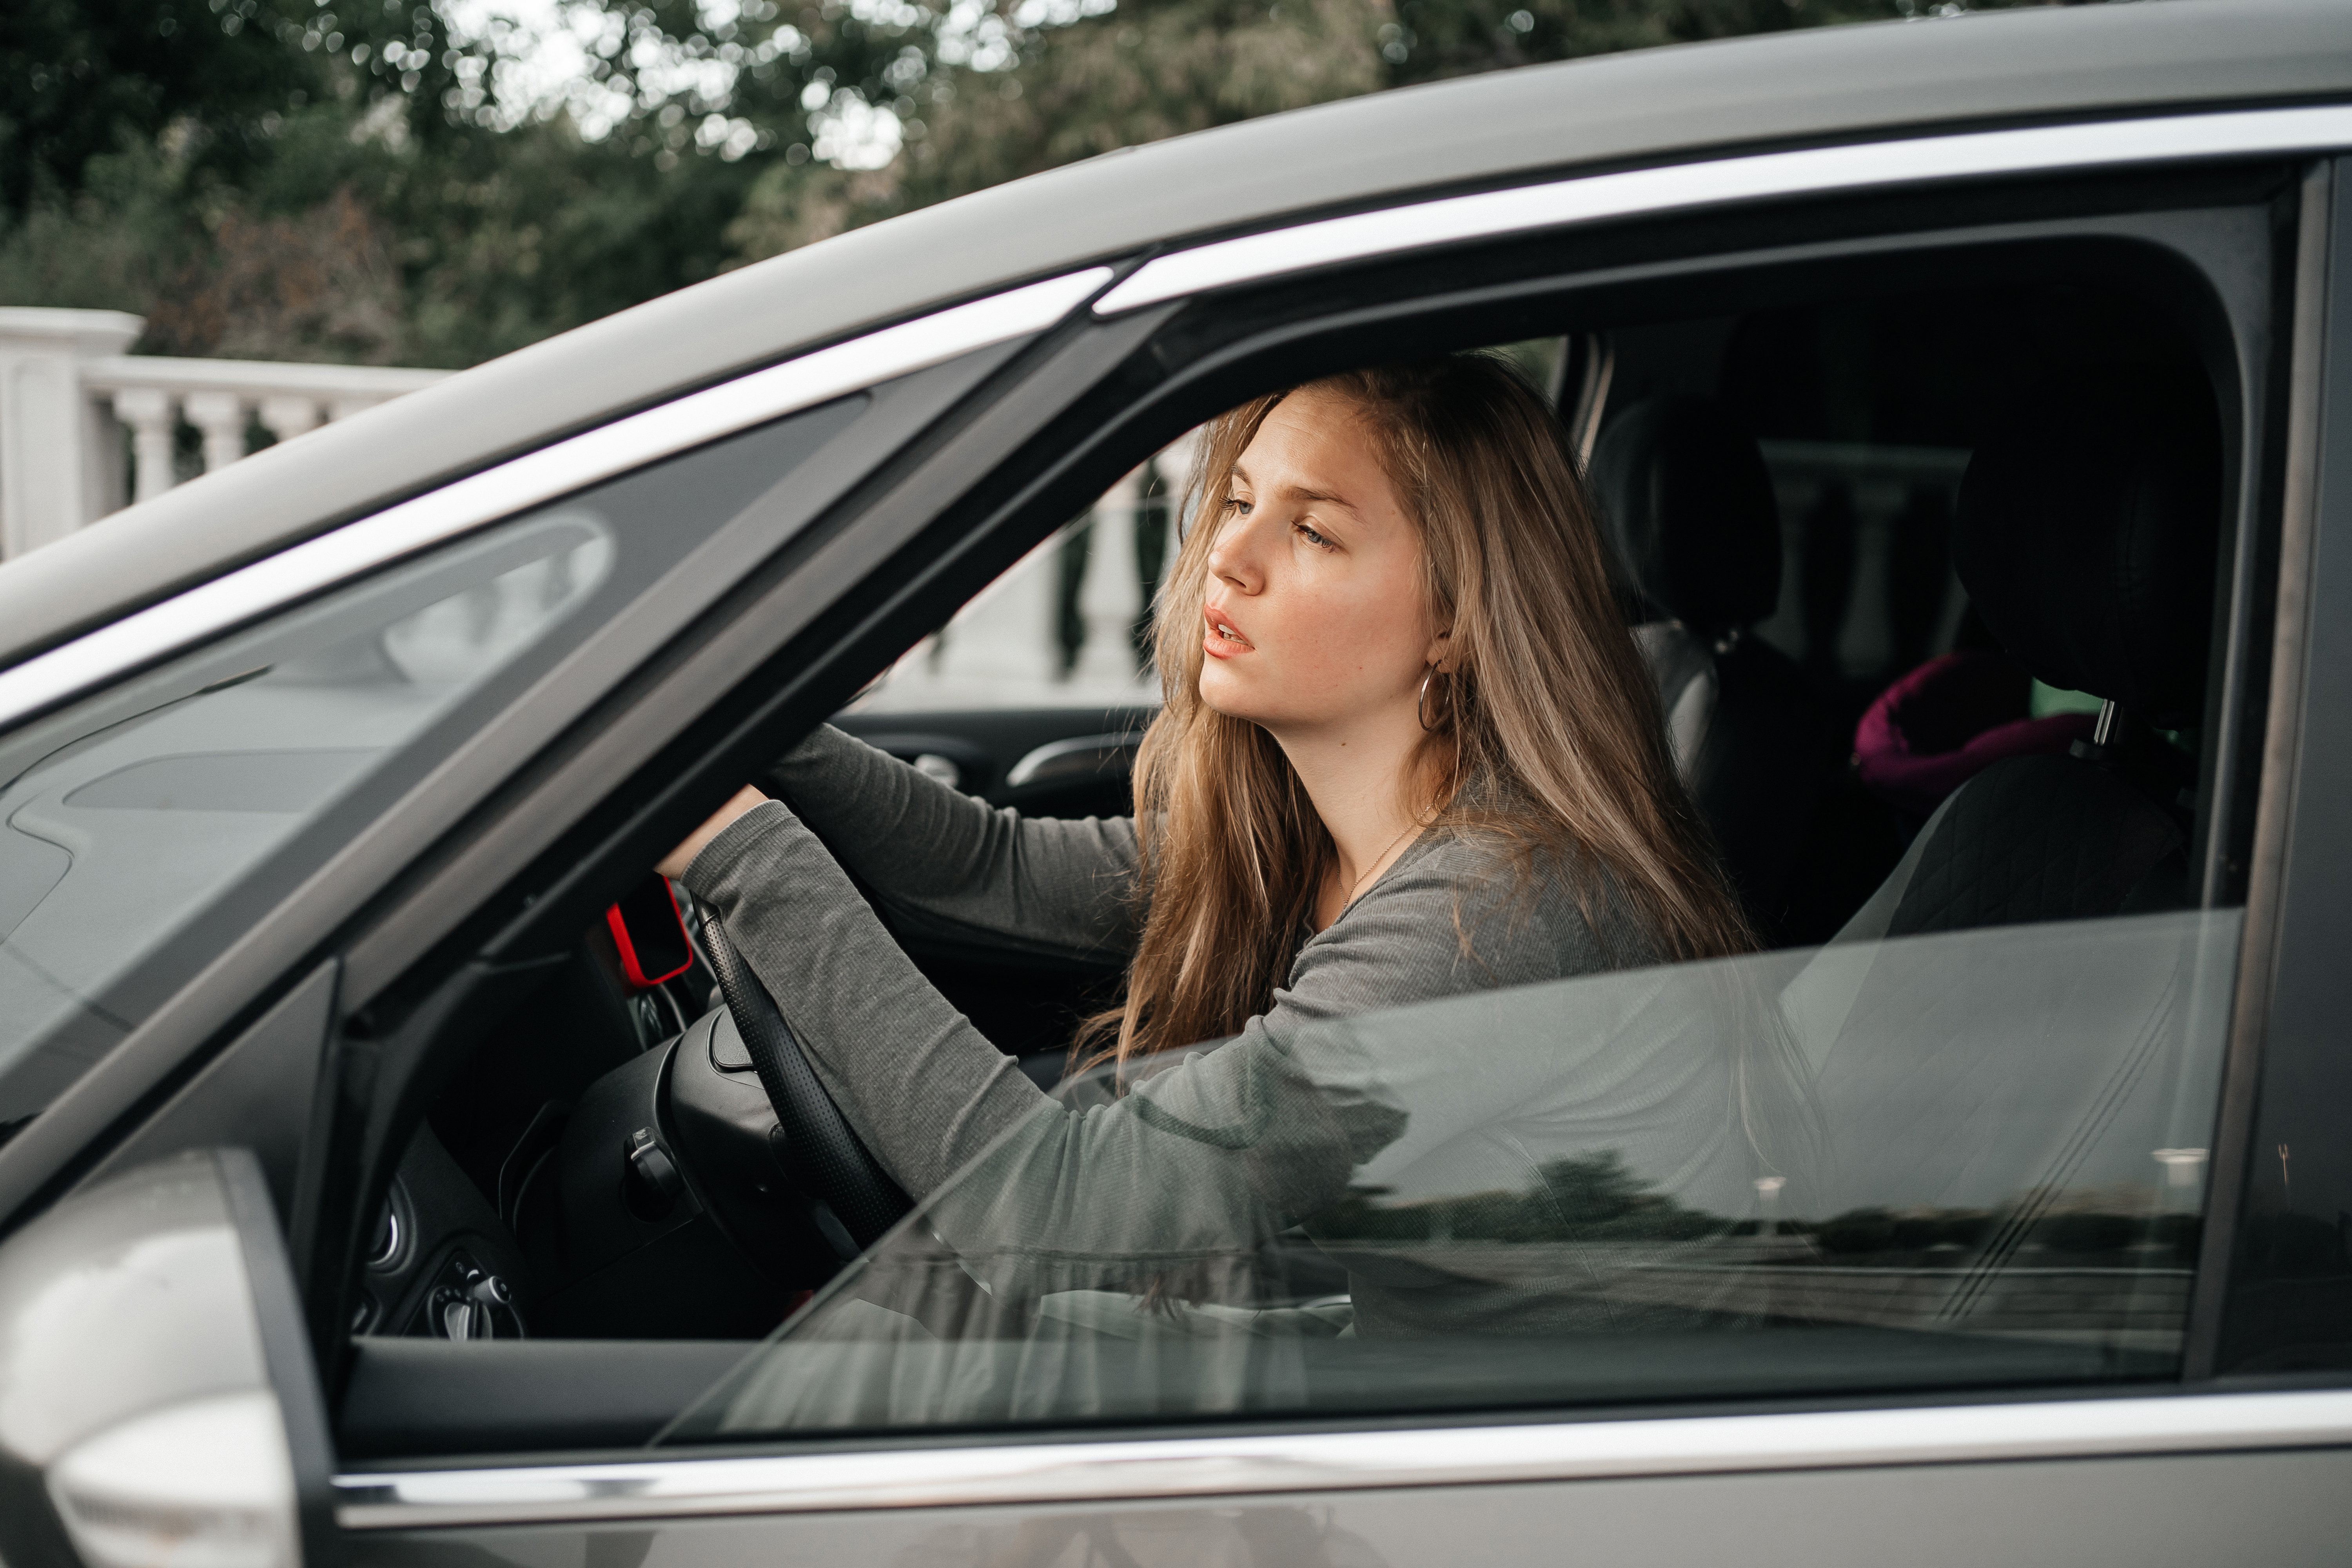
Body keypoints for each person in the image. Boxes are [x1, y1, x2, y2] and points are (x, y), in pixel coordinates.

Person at [656, 354, 1759, 1367]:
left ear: (1454, 622)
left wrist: (734, 849)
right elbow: (989, 869)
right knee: (884, 1339)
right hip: (1416, 1385)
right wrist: (758, 728)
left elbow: (1063, 1215)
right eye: (1239, 502)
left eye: (1314, 533)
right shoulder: (1318, 828)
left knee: (868, 1368)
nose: (1228, 555)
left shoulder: (1496, 913)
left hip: (1529, 1473)